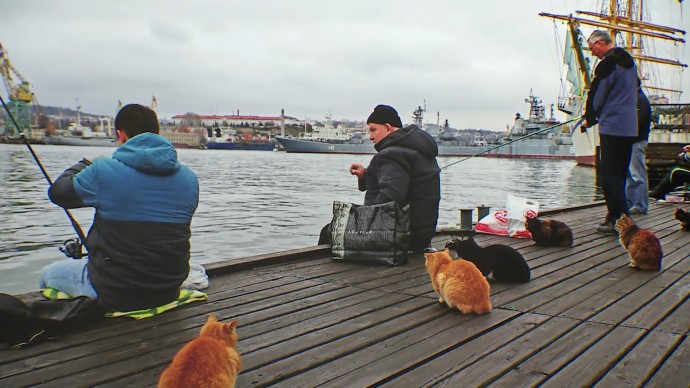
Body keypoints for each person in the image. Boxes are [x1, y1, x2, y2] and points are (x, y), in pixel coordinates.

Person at [39, 104, 200, 312]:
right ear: (156, 133)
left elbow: (58, 193)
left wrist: (86, 162)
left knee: (47, 275)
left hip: (115, 291)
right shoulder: (189, 178)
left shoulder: (103, 170)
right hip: (168, 289)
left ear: (120, 134)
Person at [349, 104, 441, 253]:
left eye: (373, 130)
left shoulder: (392, 154)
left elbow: (390, 197)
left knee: (329, 232)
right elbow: (406, 184)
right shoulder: (417, 150)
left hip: (400, 236)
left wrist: (364, 224)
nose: (370, 136)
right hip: (422, 235)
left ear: (387, 127)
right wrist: (366, 175)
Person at [582, 30, 638, 235]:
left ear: (599, 43)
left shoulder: (607, 64)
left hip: (612, 126)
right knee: (621, 175)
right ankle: (620, 217)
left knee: (607, 175)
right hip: (629, 128)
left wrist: (590, 116)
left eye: (591, 48)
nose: (592, 53)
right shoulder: (630, 65)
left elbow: (598, 93)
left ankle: (618, 219)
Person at [625, 79, 652, 214]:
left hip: (637, 141)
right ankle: (631, 202)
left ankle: (640, 204)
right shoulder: (637, 99)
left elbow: (639, 122)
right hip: (633, 141)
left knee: (637, 174)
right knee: (630, 175)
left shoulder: (640, 100)